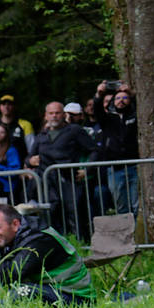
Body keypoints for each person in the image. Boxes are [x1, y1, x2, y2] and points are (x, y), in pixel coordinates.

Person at [0, 204, 96, 305]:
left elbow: (10, 275)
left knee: (19, 294)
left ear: (15, 224)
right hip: (46, 291)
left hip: (75, 297)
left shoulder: (38, 238)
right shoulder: (4, 239)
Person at [28, 99, 98, 238]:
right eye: (51, 113)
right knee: (51, 213)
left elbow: (94, 150)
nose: (54, 116)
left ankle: (79, 244)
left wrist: (86, 170)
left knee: (74, 213)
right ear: (46, 116)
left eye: (57, 113)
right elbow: (29, 156)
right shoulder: (41, 135)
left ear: (63, 114)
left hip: (69, 178)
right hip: (46, 181)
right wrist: (30, 160)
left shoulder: (75, 130)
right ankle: (54, 244)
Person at [95, 84, 138, 215]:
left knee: (136, 204)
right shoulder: (107, 119)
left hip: (134, 165)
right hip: (115, 168)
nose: (121, 100)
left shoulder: (134, 117)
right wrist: (99, 94)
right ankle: (127, 233)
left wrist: (132, 93)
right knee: (121, 204)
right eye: (118, 98)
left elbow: (140, 106)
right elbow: (98, 110)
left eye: (125, 97)